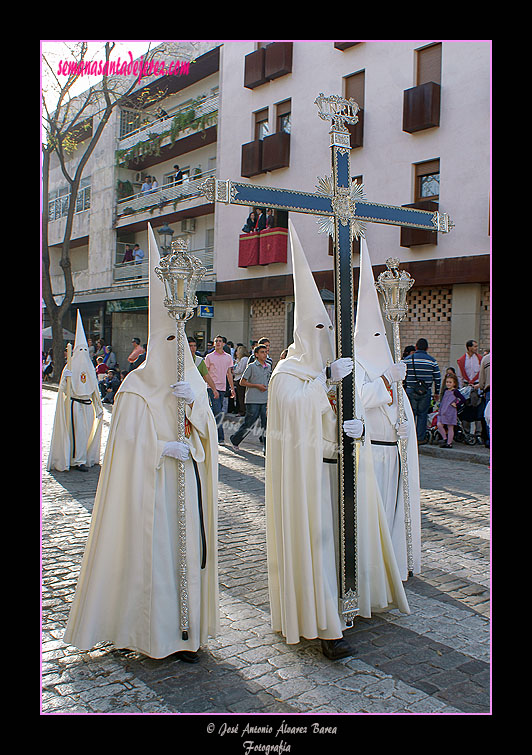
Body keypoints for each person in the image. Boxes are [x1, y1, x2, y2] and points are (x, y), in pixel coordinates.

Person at [63, 223, 219, 662]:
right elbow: (125, 448)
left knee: (185, 558)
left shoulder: (191, 381)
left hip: (186, 480)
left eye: (181, 342)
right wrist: (159, 449)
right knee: (156, 559)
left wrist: (199, 414)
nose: (176, 350)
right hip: (151, 490)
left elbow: (207, 431)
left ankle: (188, 632)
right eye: (168, 340)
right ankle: (153, 632)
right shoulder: (134, 386)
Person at [265, 221, 409, 661]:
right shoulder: (286, 374)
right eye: (318, 332)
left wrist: (356, 427)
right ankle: (325, 625)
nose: (325, 340)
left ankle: (349, 602)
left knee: (346, 542)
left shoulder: (338, 367)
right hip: (308, 475)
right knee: (318, 543)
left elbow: (352, 411)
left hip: (345, 466)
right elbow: (290, 415)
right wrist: (323, 385)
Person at [353, 236, 421, 580]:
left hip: (394, 450)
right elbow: (360, 398)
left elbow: (400, 406)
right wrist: (385, 381)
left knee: (394, 510)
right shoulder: (357, 365)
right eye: (375, 335)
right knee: (373, 516)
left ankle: (397, 558)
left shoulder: (391, 363)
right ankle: (374, 566)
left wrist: (405, 422)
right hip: (371, 454)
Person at [47, 311, 104, 472]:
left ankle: (84, 457)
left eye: (85, 350)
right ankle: (77, 460)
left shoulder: (91, 368)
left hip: (88, 405)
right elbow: (63, 390)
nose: (83, 353)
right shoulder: (70, 367)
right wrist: (65, 378)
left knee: (85, 434)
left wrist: (99, 407)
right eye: (80, 350)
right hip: (75, 405)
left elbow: (94, 390)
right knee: (77, 433)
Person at [229, 344, 271, 452]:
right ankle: (235, 439)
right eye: (262, 352)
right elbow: (242, 382)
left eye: (266, 352)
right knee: (249, 423)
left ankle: (266, 449)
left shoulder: (268, 366)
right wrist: (257, 386)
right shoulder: (251, 366)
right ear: (256, 354)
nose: (265, 354)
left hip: (265, 399)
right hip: (253, 400)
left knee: (266, 424)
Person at [403, 338, 441, 444]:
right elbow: (437, 378)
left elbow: (401, 375)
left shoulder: (407, 360)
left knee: (410, 415)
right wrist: (437, 392)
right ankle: (420, 438)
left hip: (410, 390)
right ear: (427, 348)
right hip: (425, 392)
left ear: (416, 347)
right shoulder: (432, 361)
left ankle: (409, 437)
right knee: (422, 415)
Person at [204, 335, 236, 443]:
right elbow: (205, 373)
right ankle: (220, 437)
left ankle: (211, 434)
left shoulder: (228, 357)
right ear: (214, 343)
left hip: (222, 388)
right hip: (211, 387)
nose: (218, 343)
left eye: (220, 341)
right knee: (218, 412)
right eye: (216, 341)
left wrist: (232, 388)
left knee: (216, 412)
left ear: (223, 344)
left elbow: (229, 374)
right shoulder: (209, 357)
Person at [436, 371, 466, 448]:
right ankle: (445, 438)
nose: (448, 384)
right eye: (447, 382)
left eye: (450, 382)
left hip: (450, 411)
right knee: (439, 424)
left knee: (450, 427)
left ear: (454, 383)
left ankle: (449, 443)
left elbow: (463, 399)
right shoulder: (446, 391)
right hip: (443, 411)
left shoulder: (455, 391)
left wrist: (457, 404)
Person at [232, 345, 250, 415]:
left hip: (240, 378)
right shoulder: (239, 359)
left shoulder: (244, 359)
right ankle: (240, 409)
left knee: (241, 396)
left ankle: (243, 410)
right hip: (237, 378)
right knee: (239, 396)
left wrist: (233, 371)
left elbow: (240, 369)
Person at [478, 350, 490, 447]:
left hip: (489, 389)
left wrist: (482, 387)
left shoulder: (486, 359)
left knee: (488, 416)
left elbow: (481, 379)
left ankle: (489, 440)